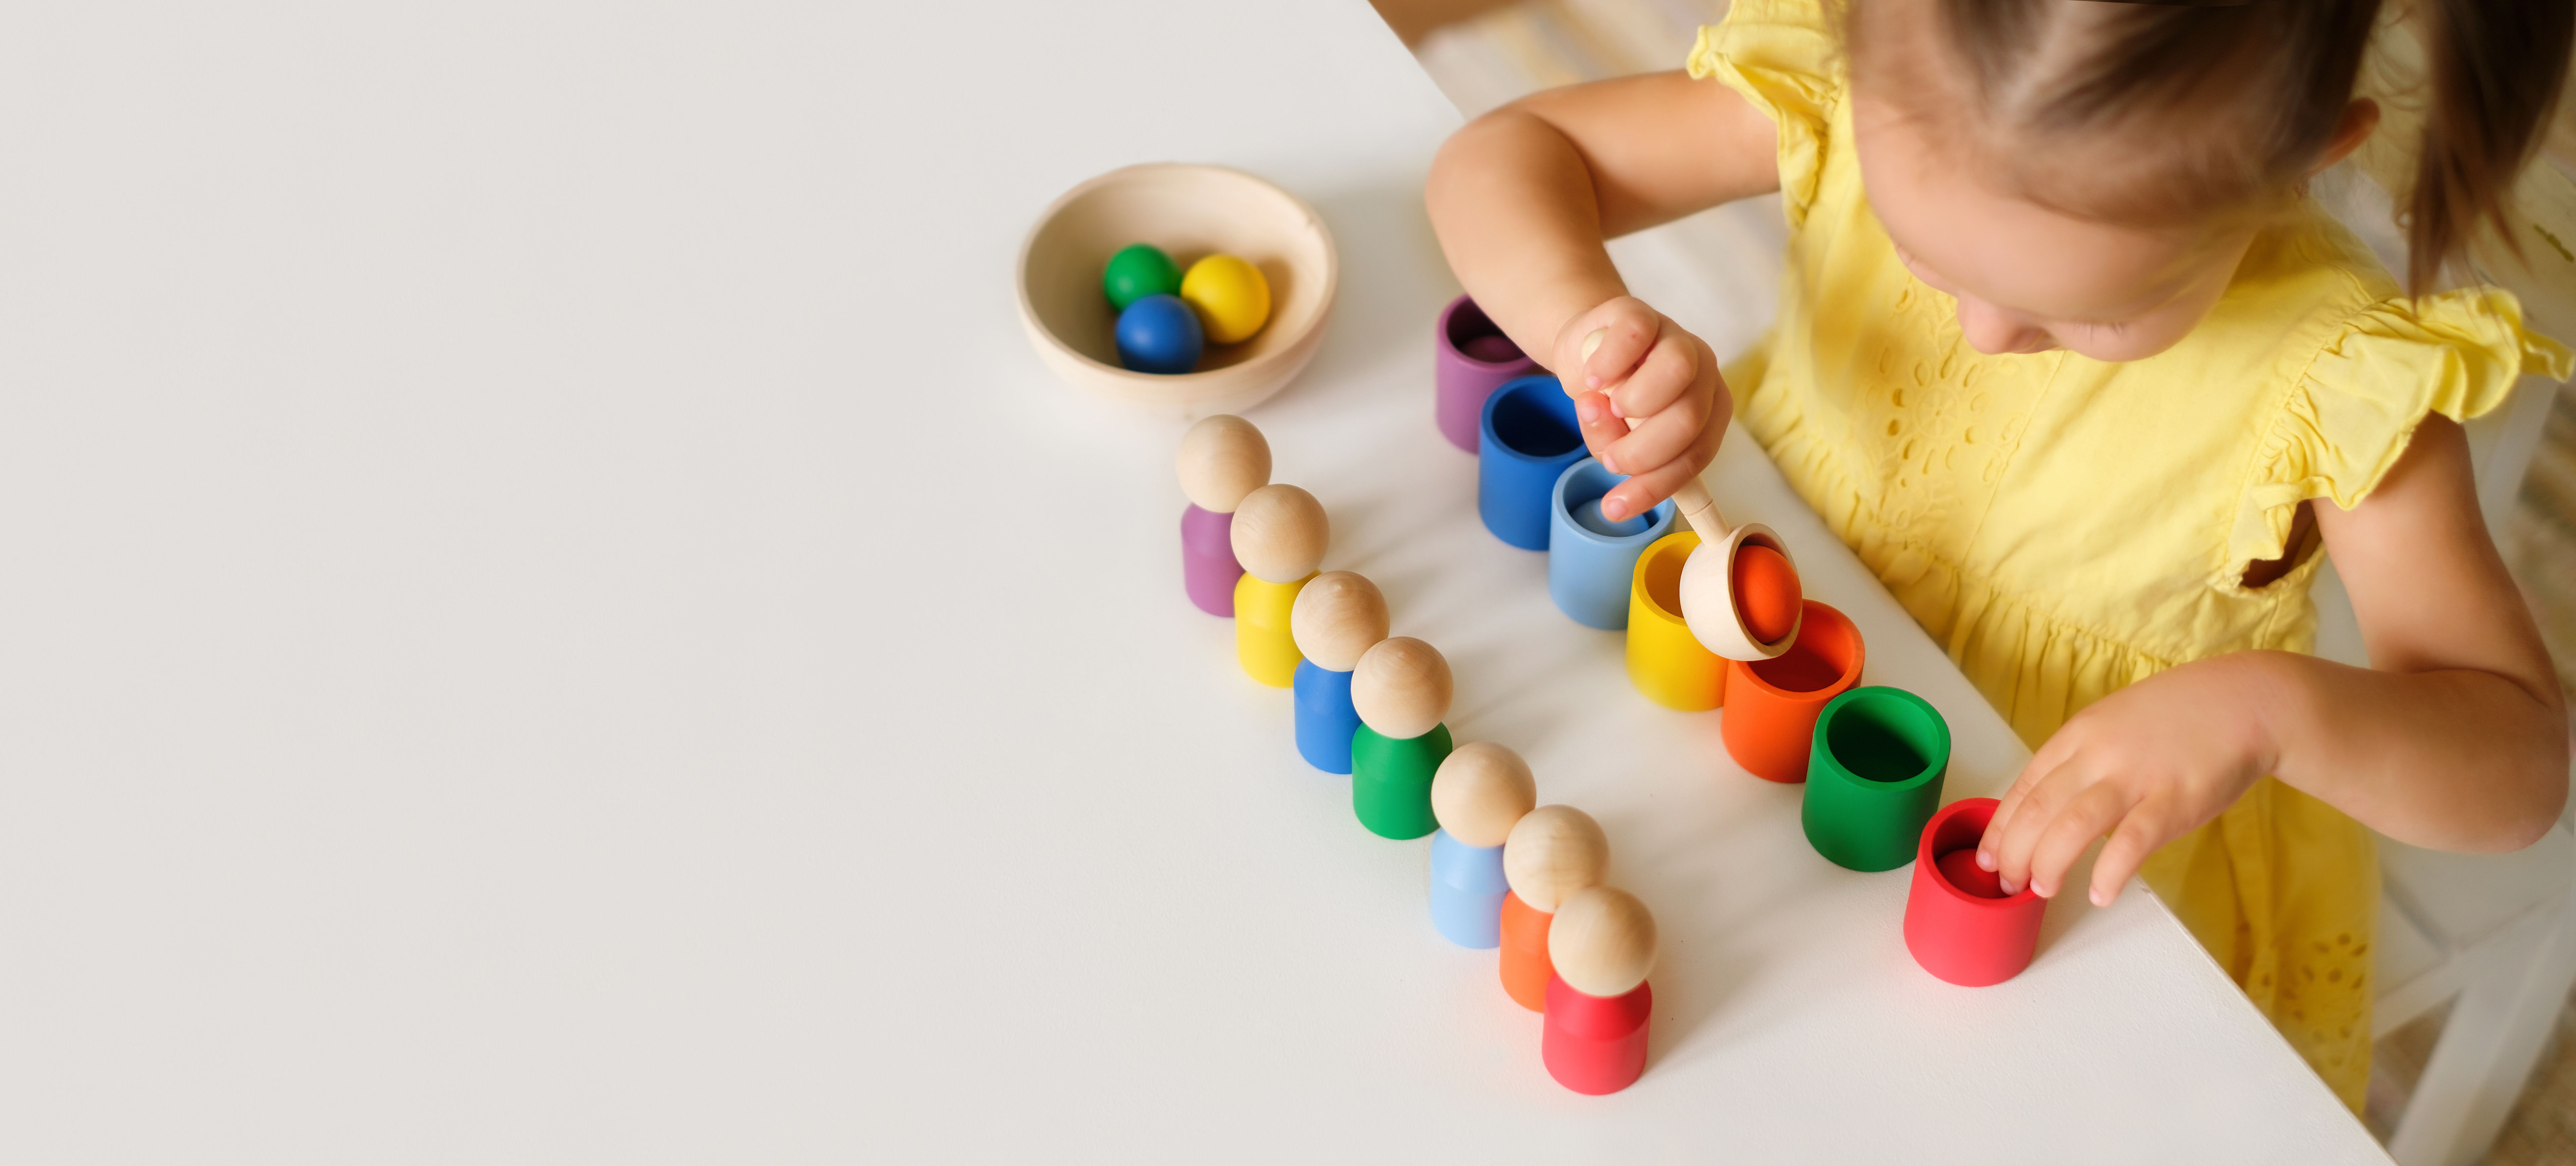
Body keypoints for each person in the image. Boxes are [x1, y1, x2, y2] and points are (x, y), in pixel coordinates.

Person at [1425, 0, 2574, 1108]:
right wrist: (1589, 329)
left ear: (2302, 158)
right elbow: (1505, 156)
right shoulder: (1859, 83)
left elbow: (2520, 766)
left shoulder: (2339, 379)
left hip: (2043, 866)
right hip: (1743, 713)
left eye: (2098, 314)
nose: (1986, 332)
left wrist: (2272, 713)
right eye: (1927, 258)